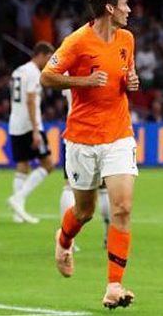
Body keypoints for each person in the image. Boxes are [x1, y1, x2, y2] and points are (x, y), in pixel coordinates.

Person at [40, 0, 139, 309]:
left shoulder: (127, 39)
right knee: (84, 212)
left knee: (122, 208)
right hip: (82, 139)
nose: (129, 9)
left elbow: (122, 76)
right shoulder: (77, 42)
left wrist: (131, 82)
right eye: (125, 3)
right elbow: (47, 76)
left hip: (118, 135)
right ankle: (64, 238)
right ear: (110, 8)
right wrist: (82, 80)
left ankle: (114, 285)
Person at [7, 42, 55, 224]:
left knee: (22, 165)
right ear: (41, 55)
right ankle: (18, 199)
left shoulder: (18, 71)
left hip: (15, 123)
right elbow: (31, 101)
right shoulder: (34, 73)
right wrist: (36, 130)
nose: (49, 62)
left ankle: (18, 212)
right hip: (29, 125)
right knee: (48, 164)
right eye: (49, 58)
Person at [59, 89, 111, 250]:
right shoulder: (106, 66)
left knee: (70, 186)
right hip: (104, 133)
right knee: (104, 188)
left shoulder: (69, 66)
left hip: (75, 134)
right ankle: (109, 235)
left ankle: (68, 237)